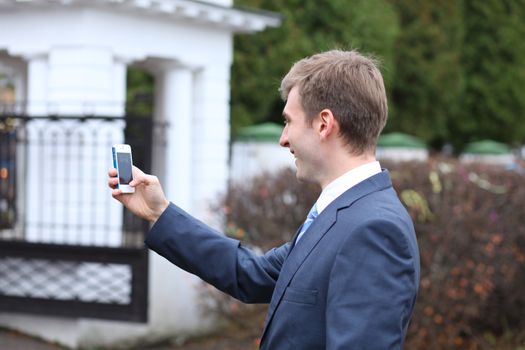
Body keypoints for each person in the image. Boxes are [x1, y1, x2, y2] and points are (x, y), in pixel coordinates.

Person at [109, 49, 420, 349]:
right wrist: (159, 213)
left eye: (288, 121)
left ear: (324, 124)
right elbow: (251, 274)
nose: (283, 139)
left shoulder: (374, 230)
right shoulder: (343, 213)